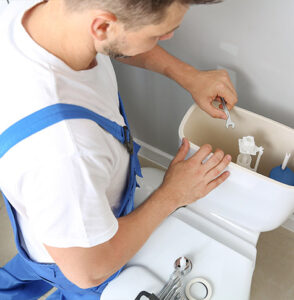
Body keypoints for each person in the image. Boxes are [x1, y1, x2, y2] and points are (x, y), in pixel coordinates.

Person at [0, 0, 237, 299]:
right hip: (80, 257)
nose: (168, 38)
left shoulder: (42, 13)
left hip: (45, 222)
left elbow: (117, 41)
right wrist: (172, 194)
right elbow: (88, 270)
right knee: (71, 281)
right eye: (158, 33)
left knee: (27, 270)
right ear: (101, 26)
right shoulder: (64, 152)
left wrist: (187, 75)